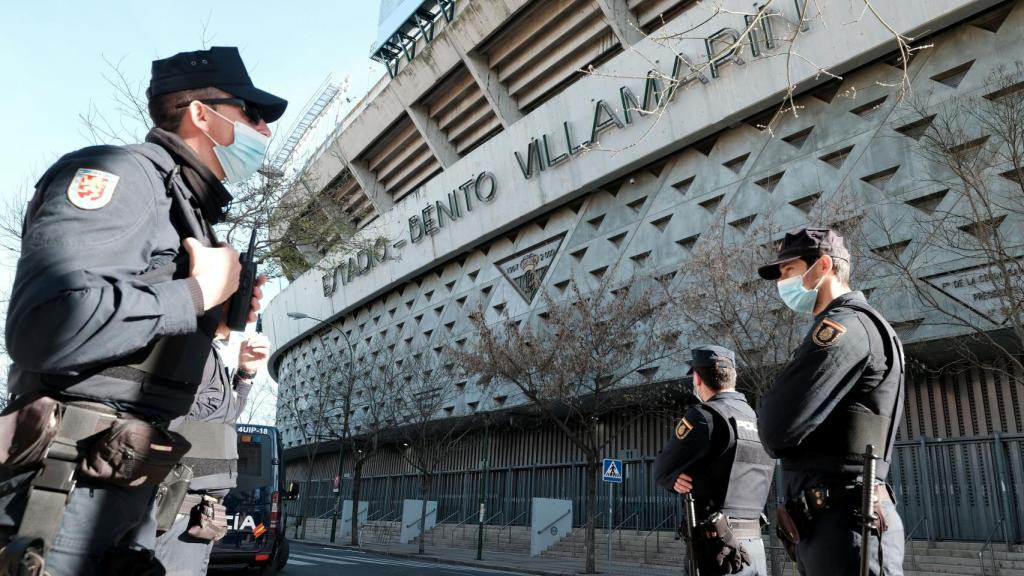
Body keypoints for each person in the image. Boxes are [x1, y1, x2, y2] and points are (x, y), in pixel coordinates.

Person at [0, 46, 284, 575]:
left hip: (124, 490)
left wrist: (212, 321)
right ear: (203, 113)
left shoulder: (183, 206)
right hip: (65, 490)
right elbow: (44, 324)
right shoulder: (120, 175)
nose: (264, 131)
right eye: (253, 113)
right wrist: (195, 294)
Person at [756, 227, 905, 576]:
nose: (782, 283)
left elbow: (776, 428)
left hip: (846, 527)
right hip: (835, 523)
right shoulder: (851, 325)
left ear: (823, 266)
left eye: (788, 271)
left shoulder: (844, 327)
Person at [154, 332, 270, 576]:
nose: (255, 298)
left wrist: (245, 374)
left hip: (189, 511)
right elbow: (162, 416)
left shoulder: (203, 349)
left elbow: (218, 418)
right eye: (246, 293)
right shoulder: (190, 346)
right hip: (172, 506)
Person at [654, 346, 774, 576]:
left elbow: (662, 469)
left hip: (718, 551)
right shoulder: (757, 420)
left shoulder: (704, 417)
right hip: (755, 549)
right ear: (734, 376)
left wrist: (672, 478)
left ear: (697, 378)